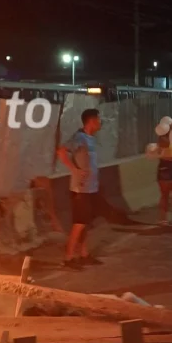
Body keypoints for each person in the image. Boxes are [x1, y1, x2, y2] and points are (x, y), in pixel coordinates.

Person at [56, 108, 106, 269]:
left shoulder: (90, 139)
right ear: (91, 121)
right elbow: (61, 151)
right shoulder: (79, 137)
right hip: (80, 189)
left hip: (90, 188)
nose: (100, 122)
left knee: (86, 223)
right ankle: (68, 258)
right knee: (79, 223)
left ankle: (83, 254)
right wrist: (74, 169)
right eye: (98, 119)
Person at [148, 133, 172, 225]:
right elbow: (154, 155)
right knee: (165, 196)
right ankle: (163, 218)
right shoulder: (159, 148)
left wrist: (169, 154)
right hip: (165, 172)